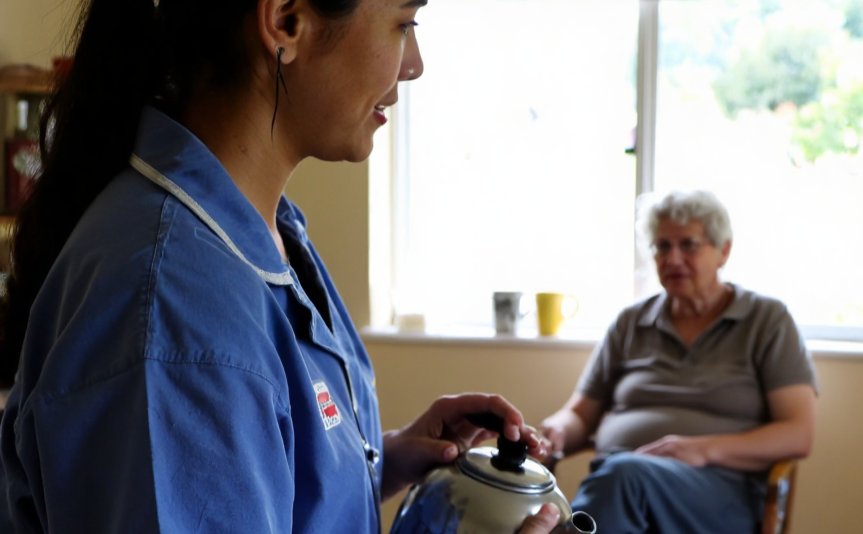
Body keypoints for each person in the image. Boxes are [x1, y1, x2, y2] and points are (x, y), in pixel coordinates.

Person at [0, 0, 562, 532]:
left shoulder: (262, 234)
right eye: (404, 22)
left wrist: (372, 461)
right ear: (287, 22)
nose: (413, 64)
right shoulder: (179, 313)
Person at [539, 190, 817, 533]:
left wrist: (704, 449)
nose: (672, 259)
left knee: (620, 480)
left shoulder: (766, 320)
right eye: (662, 246)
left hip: (720, 491)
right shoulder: (631, 322)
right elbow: (580, 414)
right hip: (618, 481)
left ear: (723, 251)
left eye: (689, 245)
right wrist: (555, 433)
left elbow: (798, 433)